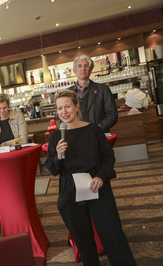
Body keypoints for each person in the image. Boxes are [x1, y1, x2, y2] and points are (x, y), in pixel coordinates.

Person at [46, 90, 137, 266]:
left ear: (77, 106)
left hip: (96, 186)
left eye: (67, 106)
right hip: (70, 192)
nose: (63, 112)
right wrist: (57, 155)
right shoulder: (56, 136)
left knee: (113, 235)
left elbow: (108, 157)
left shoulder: (93, 130)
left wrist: (101, 177)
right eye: (59, 108)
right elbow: (52, 169)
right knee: (83, 242)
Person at [68, 55, 118, 132]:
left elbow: (112, 115)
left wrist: (97, 128)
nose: (83, 68)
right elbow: (63, 117)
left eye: (86, 66)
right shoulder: (67, 93)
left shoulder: (103, 90)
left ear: (90, 70)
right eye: (79, 66)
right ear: (74, 71)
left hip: (99, 135)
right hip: (77, 137)